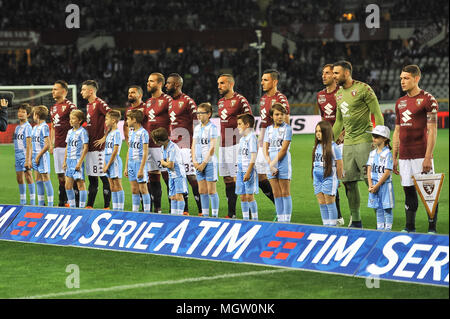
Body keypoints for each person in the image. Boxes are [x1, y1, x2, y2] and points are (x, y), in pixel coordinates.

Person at [332, 60, 384, 228]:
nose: (334, 76)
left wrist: (380, 139)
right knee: (348, 182)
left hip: (364, 141)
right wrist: (328, 142)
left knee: (371, 182)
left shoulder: (363, 89)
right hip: (347, 145)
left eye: (336, 73)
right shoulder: (338, 94)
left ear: (346, 73)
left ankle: (381, 221)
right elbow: (339, 121)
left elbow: (377, 113)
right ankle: (356, 220)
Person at [392, 64, 439, 233]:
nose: (402, 81)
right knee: (408, 191)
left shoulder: (428, 99)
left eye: (406, 78)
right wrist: (394, 156)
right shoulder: (400, 102)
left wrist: (428, 156)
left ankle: (432, 228)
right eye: (401, 78)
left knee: (429, 192)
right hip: (404, 156)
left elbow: (432, 130)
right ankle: (409, 227)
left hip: (421, 154)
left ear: (416, 78)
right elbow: (397, 131)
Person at [165, 73, 202, 216]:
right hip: (173, 147)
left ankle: (201, 210)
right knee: (177, 177)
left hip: (186, 146)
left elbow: (196, 124)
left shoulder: (188, 101)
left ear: (176, 85)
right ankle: (185, 210)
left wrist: (195, 147)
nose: (166, 85)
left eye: (168, 83)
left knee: (191, 177)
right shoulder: (169, 102)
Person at [217, 74, 252, 218]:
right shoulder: (220, 102)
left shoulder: (240, 100)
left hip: (237, 145)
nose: (219, 86)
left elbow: (249, 120)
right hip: (224, 145)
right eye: (218, 83)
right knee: (227, 179)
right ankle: (231, 213)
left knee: (240, 179)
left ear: (231, 84)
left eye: (222, 83)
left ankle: (249, 214)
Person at [316, 64, 345, 225]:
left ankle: (355, 217)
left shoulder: (341, 93)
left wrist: (342, 135)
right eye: (323, 73)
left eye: (327, 73)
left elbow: (347, 116)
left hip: (341, 142)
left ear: (334, 76)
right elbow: (322, 118)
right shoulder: (320, 95)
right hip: (327, 142)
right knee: (329, 177)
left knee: (345, 181)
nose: (324, 76)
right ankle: (338, 216)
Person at [257, 69, 290, 208]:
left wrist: (282, 143)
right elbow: (264, 121)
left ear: (274, 81)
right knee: (260, 176)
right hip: (264, 142)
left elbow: (286, 121)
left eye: (265, 80)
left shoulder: (280, 99)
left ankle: (283, 213)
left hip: (275, 144)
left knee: (279, 182)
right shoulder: (263, 99)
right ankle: (278, 206)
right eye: (262, 79)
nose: (262, 82)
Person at [81, 80, 112, 209]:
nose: (81, 92)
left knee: (103, 177)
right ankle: (89, 205)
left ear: (91, 91)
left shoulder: (99, 103)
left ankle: (106, 206)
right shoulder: (89, 105)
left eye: (83, 90)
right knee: (92, 177)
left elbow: (112, 116)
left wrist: (105, 137)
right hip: (90, 147)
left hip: (98, 149)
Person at [144, 72, 172, 213]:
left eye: (152, 81)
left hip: (162, 146)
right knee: (153, 177)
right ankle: (158, 209)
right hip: (150, 145)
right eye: (148, 81)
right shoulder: (148, 102)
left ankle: (175, 209)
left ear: (160, 83)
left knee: (168, 178)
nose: (148, 83)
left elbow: (175, 120)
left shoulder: (167, 100)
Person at [50, 80, 78, 207]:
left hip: (69, 147)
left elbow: (78, 123)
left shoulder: (70, 106)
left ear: (64, 91)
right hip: (58, 147)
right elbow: (52, 127)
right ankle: (63, 201)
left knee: (71, 176)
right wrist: (51, 144)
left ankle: (76, 201)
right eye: (53, 89)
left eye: (55, 89)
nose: (53, 91)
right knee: (60, 176)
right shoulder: (53, 108)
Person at [263, 103, 293, 223]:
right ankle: (280, 218)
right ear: (272, 116)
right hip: (271, 164)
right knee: (276, 192)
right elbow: (265, 148)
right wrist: (269, 163)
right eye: (277, 114)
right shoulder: (268, 130)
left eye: (282, 114)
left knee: (285, 192)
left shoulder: (287, 129)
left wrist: (272, 164)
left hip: (283, 162)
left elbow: (284, 149)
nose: (280, 116)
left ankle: (287, 219)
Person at [312, 120, 343, 226]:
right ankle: (326, 226)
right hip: (317, 179)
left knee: (329, 203)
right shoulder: (316, 146)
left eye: (320, 131)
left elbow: (339, 164)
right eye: (316, 131)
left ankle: (333, 227)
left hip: (329, 178)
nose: (318, 134)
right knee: (322, 203)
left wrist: (338, 179)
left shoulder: (334, 147)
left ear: (327, 132)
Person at [151, 127, 189, 215]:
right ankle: (174, 216)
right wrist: (165, 162)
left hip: (178, 175)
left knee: (179, 196)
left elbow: (170, 165)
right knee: (172, 197)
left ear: (158, 140)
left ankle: (180, 216)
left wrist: (164, 162)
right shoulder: (163, 148)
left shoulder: (173, 148)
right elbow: (166, 163)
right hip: (171, 175)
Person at [192, 102, 219, 218]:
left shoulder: (212, 128)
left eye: (201, 113)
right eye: (198, 113)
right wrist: (194, 161)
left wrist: (204, 163)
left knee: (211, 191)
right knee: (202, 191)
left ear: (209, 114)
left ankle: (214, 216)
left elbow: (212, 148)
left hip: (209, 163)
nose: (198, 115)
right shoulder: (197, 128)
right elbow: (193, 145)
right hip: (198, 163)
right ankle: (205, 215)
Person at [366, 125, 395, 231]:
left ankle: (387, 231)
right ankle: (379, 230)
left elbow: (387, 172)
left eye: (377, 136)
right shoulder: (372, 153)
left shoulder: (388, 154)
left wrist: (377, 186)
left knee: (387, 208)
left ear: (385, 139)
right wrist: (370, 185)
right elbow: (369, 169)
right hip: (373, 185)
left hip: (385, 186)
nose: (374, 138)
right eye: (373, 136)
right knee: (378, 208)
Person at [124, 109, 151, 213]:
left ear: (134, 120)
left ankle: (147, 212)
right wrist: (126, 166)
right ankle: (135, 212)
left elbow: (145, 152)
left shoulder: (143, 133)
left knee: (143, 189)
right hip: (131, 163)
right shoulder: (131, 132)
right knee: (134, 189)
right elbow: (129, 150)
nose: (126, 121)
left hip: (139, 163)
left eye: (128, 119)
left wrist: (141, 169)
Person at [63, 110, 89, 208]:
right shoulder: (69, 132)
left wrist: (80, 162)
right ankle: (73, 206)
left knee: (80, 184)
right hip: (69, 161)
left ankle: (82, 208)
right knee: (67, 186)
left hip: (77, 160)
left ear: (80, 120)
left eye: (73, 118)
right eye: (70, 118)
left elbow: (85, 148)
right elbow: (67, 146)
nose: (71, 120)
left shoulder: (83, 132)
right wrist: (65, 161)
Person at [236, 113, 259, 221]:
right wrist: (238, 171)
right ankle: (245, 219)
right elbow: (240, 156)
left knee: (250, 196)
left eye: (240, 124)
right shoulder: (242, 139)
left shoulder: (252, 138)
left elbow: (253, 157)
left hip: (248, 170)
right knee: (242, 196)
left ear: (247, 125)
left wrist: (248, 172)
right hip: (241, 169)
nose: (238, 126)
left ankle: (255, 219)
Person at [31, 105, 54, 207]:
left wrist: (38, 156)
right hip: (35, 156)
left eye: (34, 114)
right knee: (38, 179)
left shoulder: (44, 127)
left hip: (42, 156)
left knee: (45, 178)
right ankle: (41, 204)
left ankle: (50, 205)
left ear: (37, 115)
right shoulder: (35, 127)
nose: (33, 116)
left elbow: (48, 145)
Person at [13, 103, 35, 205]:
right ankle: (22, 200)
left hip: (25, 154)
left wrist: (28, 159)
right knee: (19, 178)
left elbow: (29, 144)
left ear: (28, 114)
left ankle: (32, 200)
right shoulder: (17, 128)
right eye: (19, 111)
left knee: (28, 176)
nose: (20, 114)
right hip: (17, 155)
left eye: (23, 112)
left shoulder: (28, 127)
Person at [103, 110, 124, 211]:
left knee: (118, 184)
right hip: (107, 160)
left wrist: (107, 165)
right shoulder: (109, 133)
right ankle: (115, 208)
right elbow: (106, 149)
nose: (105, 121)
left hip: (114, 160)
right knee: (112, 186)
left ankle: (120, 208)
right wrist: (104, 163)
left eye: (107, 119)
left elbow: (115, 151)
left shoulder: (117, 133)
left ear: (114, 120)